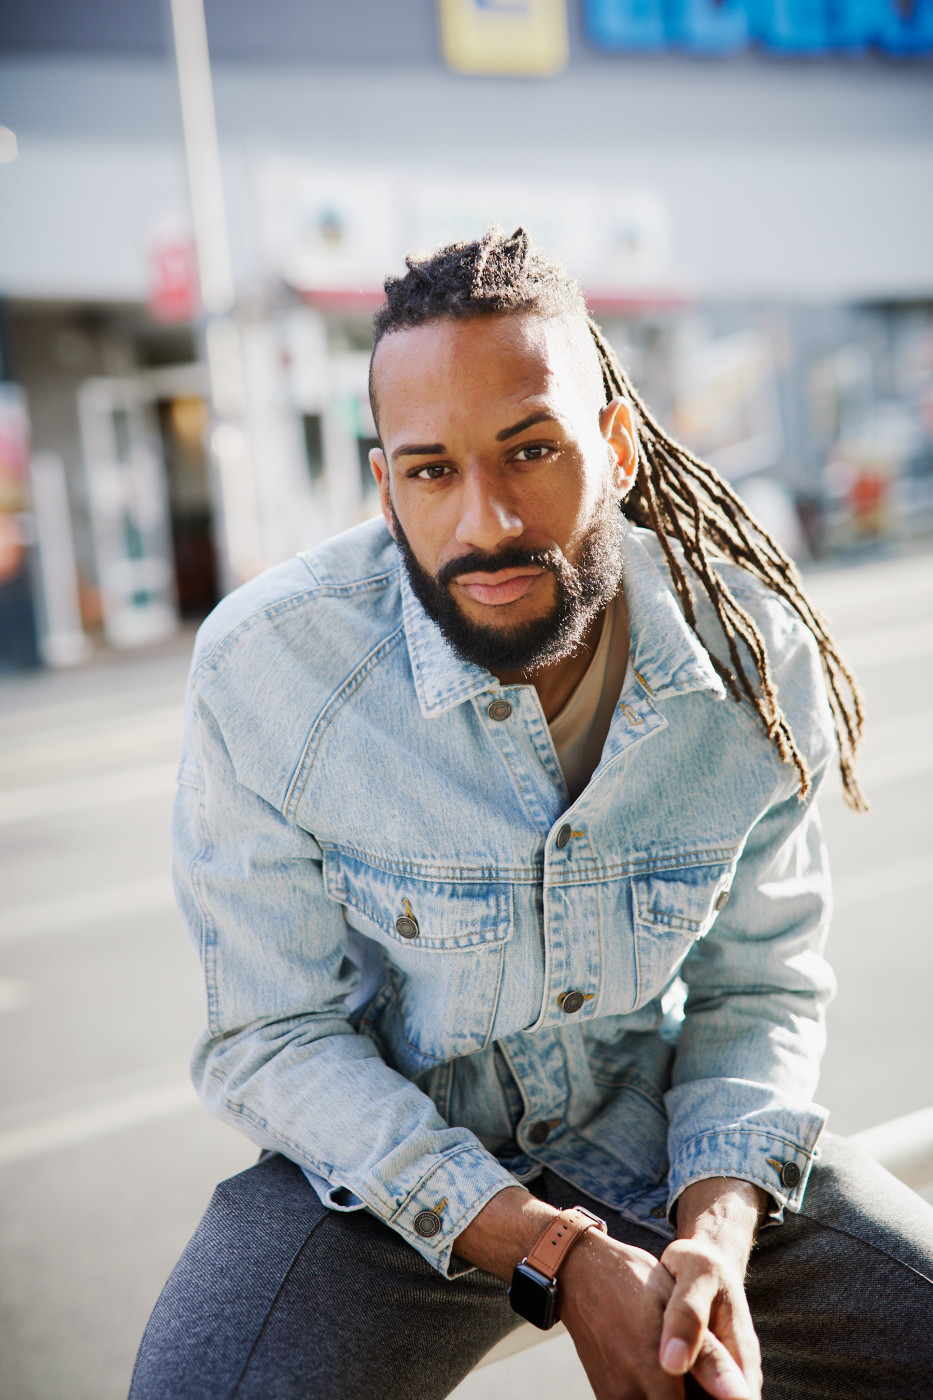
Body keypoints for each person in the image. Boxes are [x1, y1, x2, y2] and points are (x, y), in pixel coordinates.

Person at [130, 228, 933, 1400]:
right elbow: (272, 1034)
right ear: (385, 484)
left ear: (614, 444)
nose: (488, 522)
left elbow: (759, 987)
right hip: (384, 1170)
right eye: (431, 470)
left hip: (665, 1132)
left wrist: (716, 1232)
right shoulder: (270, 666)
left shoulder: (750, 650)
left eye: (532, 450)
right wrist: (547, 1244)